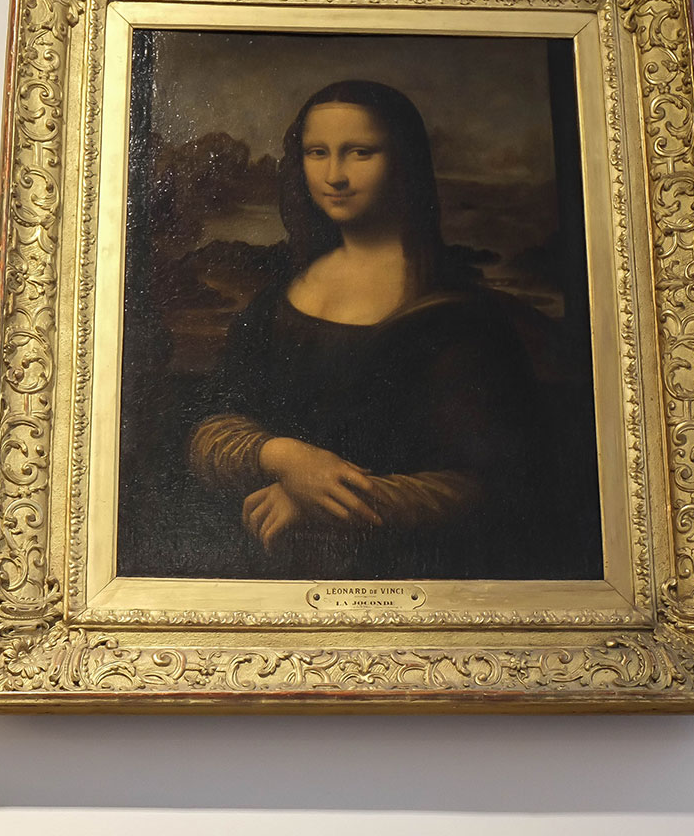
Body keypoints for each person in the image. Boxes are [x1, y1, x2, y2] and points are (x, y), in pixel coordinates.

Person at [186, 80, 559, 580]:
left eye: (360, 152)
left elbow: (489, 485)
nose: (335, 175)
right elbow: (209, 427)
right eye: (317, 153)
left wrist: (320, 497)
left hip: (414, 577)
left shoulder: (458, 315)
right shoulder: (279, 298)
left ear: (402, 162)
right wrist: (285, 458)